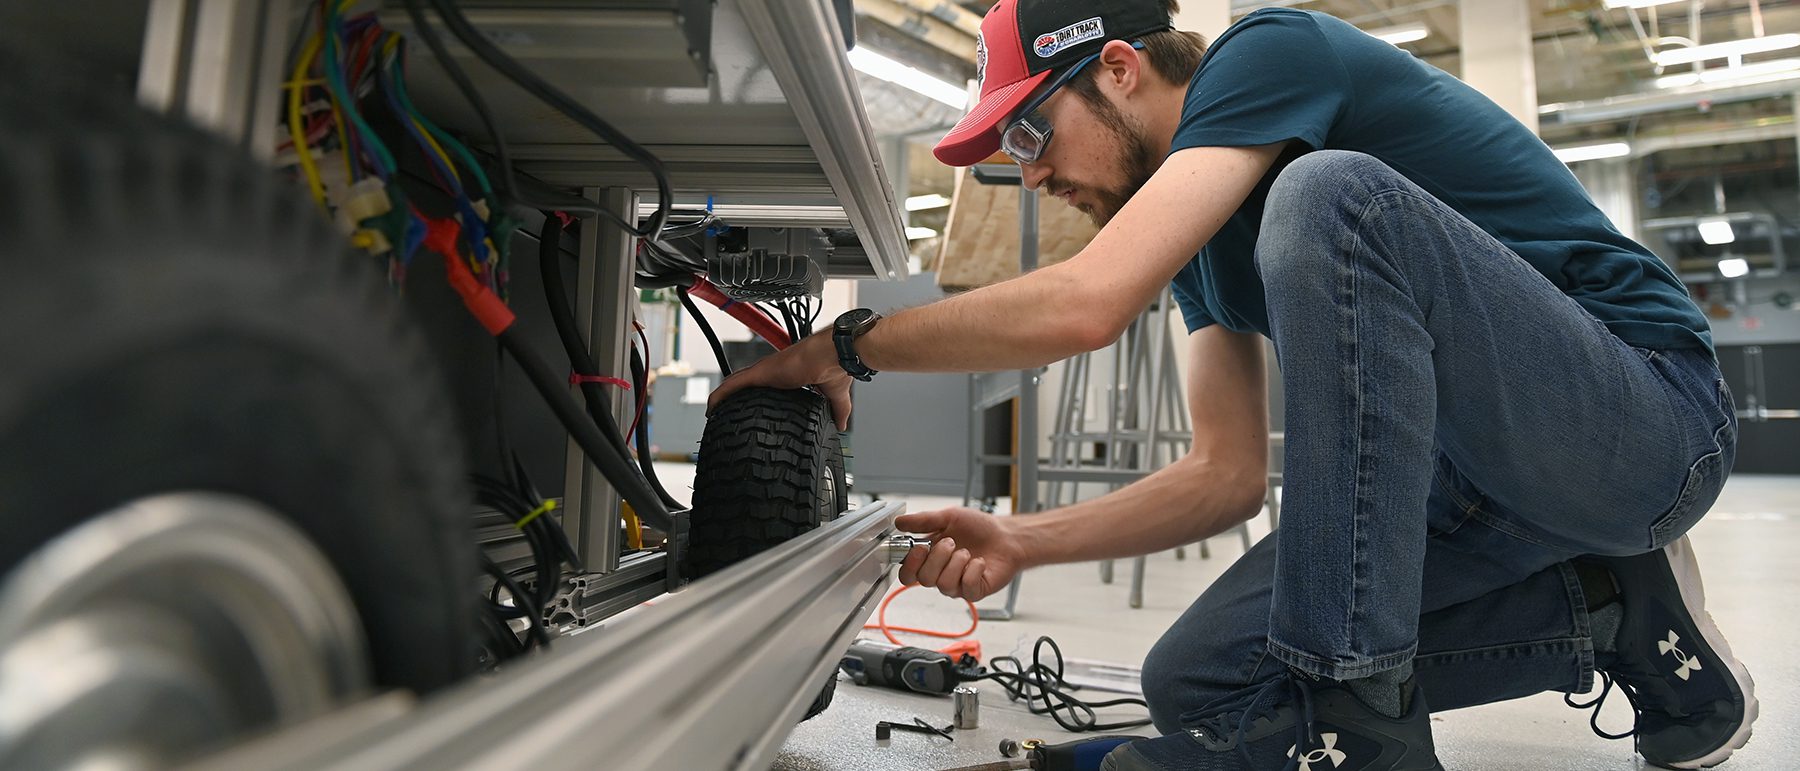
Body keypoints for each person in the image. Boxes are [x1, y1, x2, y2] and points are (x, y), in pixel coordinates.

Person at [709, 1, 1756, 768]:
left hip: (1645, 423)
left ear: (1118, 67)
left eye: (1030, 131)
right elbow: (1223, 476)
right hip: (1488, 488)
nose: (1029, 172)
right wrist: (1026, 539)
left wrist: (841, 346)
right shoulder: (1201, 249)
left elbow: (1084, 305)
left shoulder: (1267, 54)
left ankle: (1357, 721)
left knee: (1333, 193)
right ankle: (1614, 610)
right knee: (1196, 679)